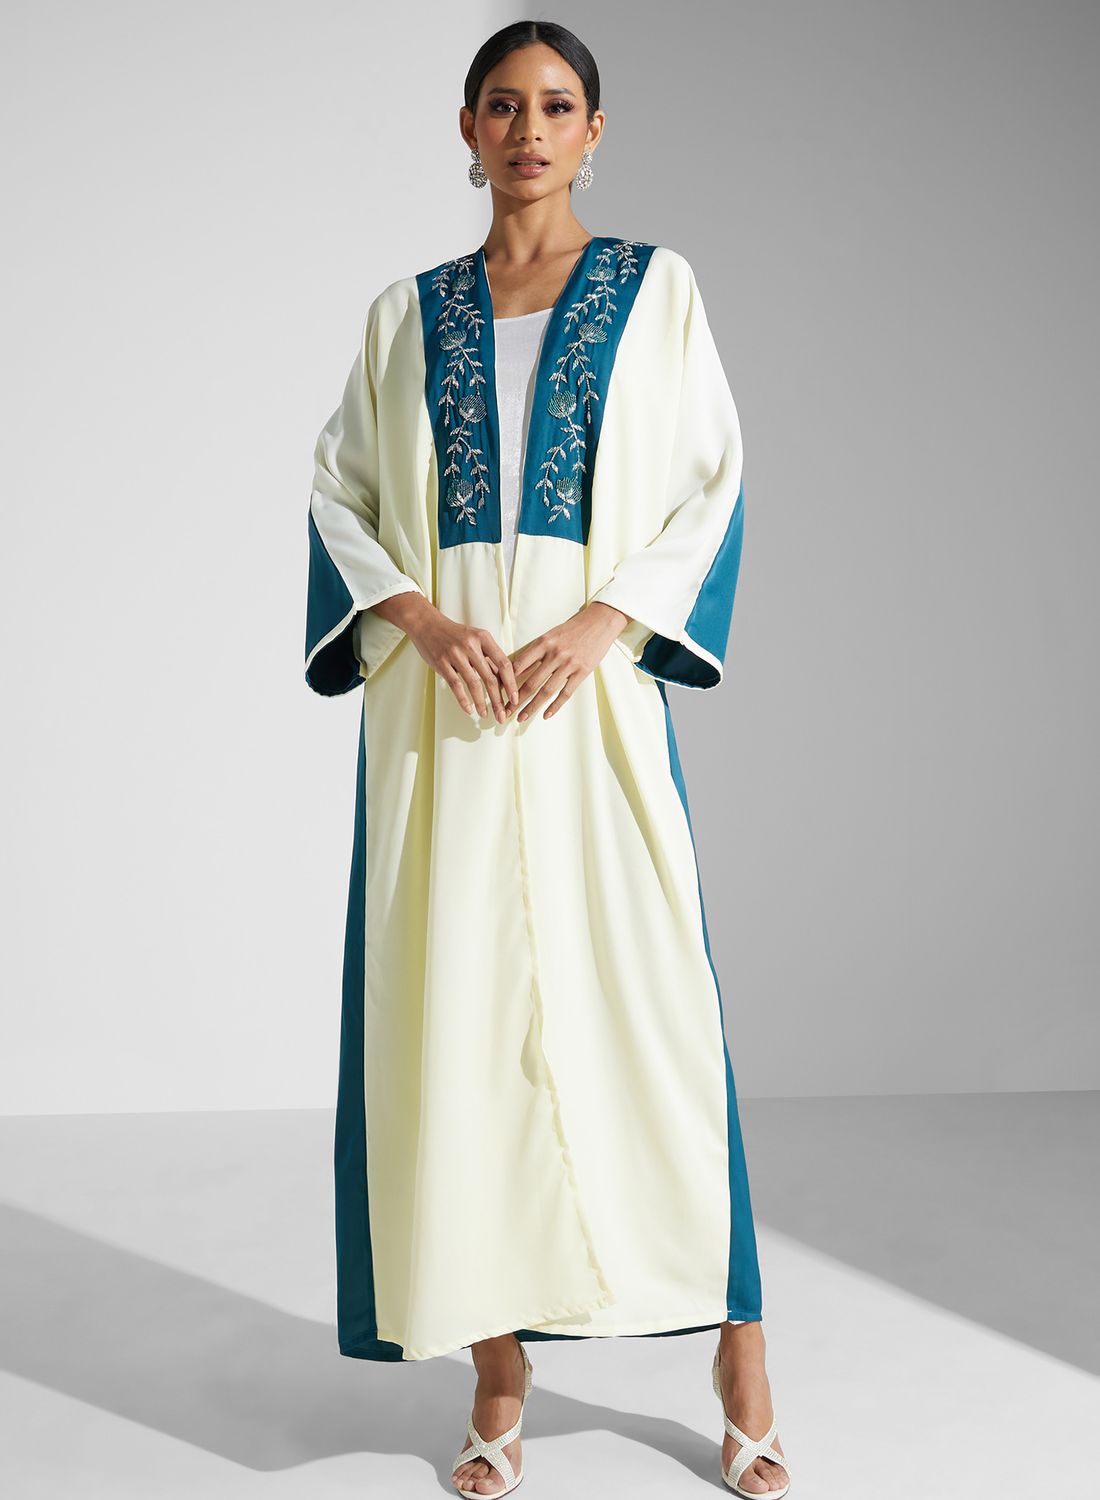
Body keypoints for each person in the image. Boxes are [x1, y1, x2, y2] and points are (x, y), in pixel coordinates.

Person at [303, 19, 791, 1499]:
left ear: (594, 131)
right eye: (504, 105)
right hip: (444, 714)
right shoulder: (406, 316)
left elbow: (711, 481)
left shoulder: (656, 293)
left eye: (558, 105)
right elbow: (340, 490)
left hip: (590, 699)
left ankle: (741, 1362)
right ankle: (497, 1376)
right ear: (467, 128)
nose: (529, 129)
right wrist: (420, 620)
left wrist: (600, 624)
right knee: (456, 1021)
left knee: (652, 1007)